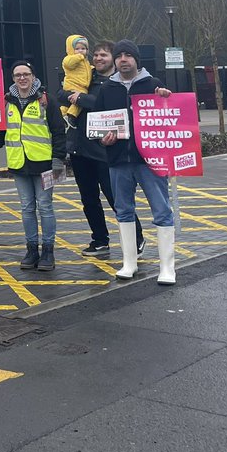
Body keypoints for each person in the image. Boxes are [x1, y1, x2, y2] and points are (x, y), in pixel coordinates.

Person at [91, 39, 177, 284]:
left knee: (161, 210)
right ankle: (129, 262)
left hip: (150, 160)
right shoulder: (107, 89)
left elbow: (169, 117)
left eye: (128, 55)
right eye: (119, 56)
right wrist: (103, 141)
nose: (123, 59)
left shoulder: (154, 85)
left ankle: (167, 267)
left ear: (137, 59)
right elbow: (98, 124)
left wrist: (166, 99)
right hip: (119, 159)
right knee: (123, 210)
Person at [58, 40, 144, 258]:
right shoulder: (86, 77)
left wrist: (81, 98)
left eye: (103, 55)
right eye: (95, 55)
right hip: (80, 149)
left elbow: (107, 104)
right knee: (88, 199)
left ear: (113, 59)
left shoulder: (117, 83)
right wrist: (74, 95)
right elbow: (61, 94)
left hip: (106, 152)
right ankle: (99, 240)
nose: (98, 59)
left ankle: (137, 238)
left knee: (117, 199)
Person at [0, 60, 67, 272]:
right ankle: (32, 249)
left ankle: (48, 250)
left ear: (33, 76)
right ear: (13, 78)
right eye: (17, 75)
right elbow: (1, 133)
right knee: (26, 208)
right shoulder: (7, 102)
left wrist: (58, 160)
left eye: (26, 74)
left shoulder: (46, 101)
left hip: (44, 164)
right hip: (19, 164)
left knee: (45, 207)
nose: (22, 78)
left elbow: (59, 132)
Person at [60, 34, 92, 140]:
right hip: (74, 85)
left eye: (83, 48)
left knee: (69, 103)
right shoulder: (70, 59)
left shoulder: (85, 62)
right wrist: (78, 56)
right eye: (77, 48)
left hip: (80, 85)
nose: (80, 51)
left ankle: (63, 114)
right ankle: (71, 116)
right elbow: (68, 64)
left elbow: (87, 69)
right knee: (79, 101)